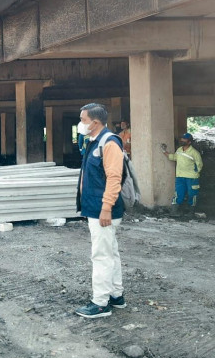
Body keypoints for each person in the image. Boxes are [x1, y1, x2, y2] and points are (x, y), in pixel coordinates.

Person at [74, 103, 125, 319]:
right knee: (110, 251)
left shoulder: (109, 143)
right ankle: (116, 295)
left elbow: (114, 178)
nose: (81, 123)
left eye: (83, 120)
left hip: (103, 209)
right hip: (97, 207)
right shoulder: (94, 141)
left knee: (101, 255)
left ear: (95, 122)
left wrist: (106, 208)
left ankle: (100, 303)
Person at [162, 133, 203, 216]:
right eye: (182, 138)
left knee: (192, 194)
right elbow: (173, 157)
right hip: (180, 176)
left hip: (191, 177)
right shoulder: (179, 150)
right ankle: (174, 211)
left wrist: (195, 172)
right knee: (178, 193)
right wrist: (164, 151)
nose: (182, 140)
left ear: (189, 142)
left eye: (185, 139)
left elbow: (200, 165)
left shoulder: (194, 153)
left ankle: (191, 211)